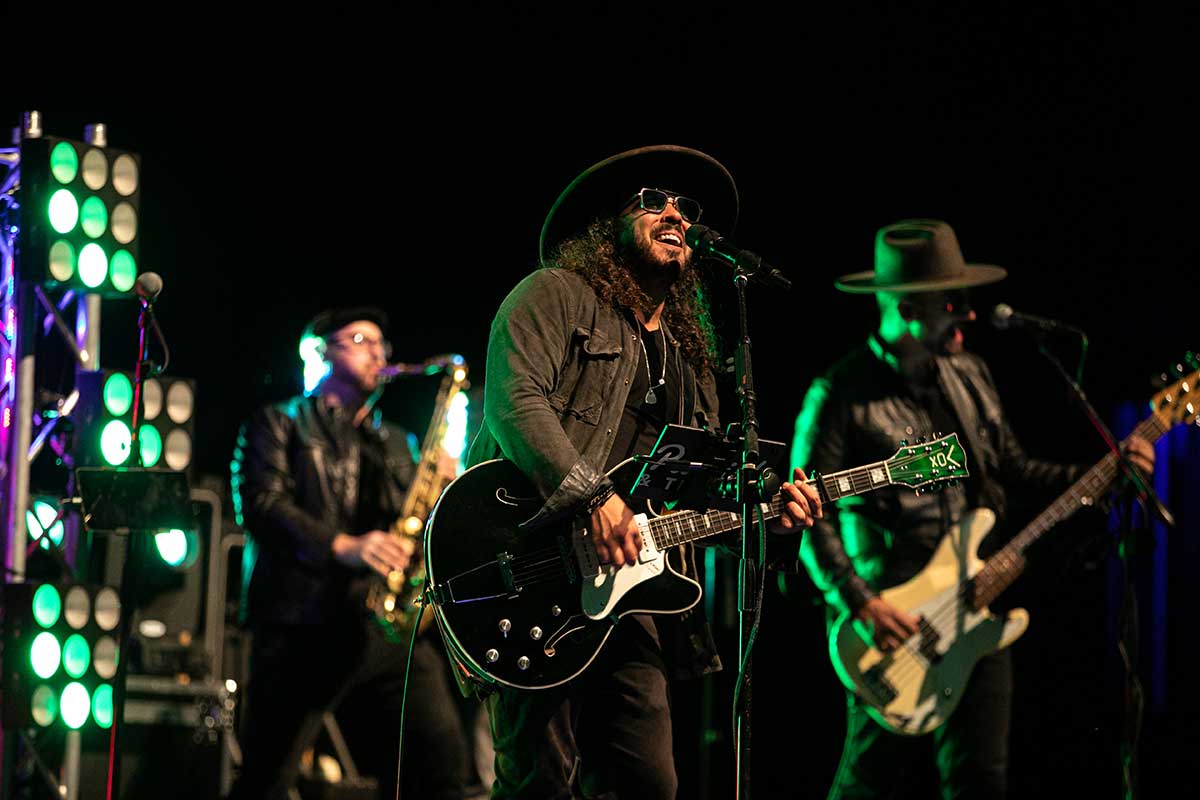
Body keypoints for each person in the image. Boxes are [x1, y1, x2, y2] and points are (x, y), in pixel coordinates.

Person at [464, 144, 823, 799]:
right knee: (538, 783)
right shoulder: (554, 295)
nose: (676, 215)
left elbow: (707, 486)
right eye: (654, 200)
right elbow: (514, 401)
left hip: (631, 594)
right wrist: (591, 499)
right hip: (533, 568)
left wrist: (774, 515)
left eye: (686, 207)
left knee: (648, 781)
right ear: (608, 223)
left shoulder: (689, 357)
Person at [790, 219, 1156, 799]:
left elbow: (1013, 468)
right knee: (869, 784)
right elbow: (808, 515)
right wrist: (860, 602)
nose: (968, 315)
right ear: (910, 307)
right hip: (894, 621)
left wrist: (1104, 476)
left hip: (976, 602)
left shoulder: (971, 375)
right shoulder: (838, 394)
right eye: (952, 303)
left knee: (982, 781)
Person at [228, 306, 470, 800]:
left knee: (443, 764)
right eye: (360, 339)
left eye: (381, 343)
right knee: (266, 778)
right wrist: (343, 545)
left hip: (381, 626)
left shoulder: (397, 442)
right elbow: (259, 504)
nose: (377, 351)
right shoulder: (279, 422)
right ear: (321, 353)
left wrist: (447, 490)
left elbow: (416, 526)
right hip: (302, 626)